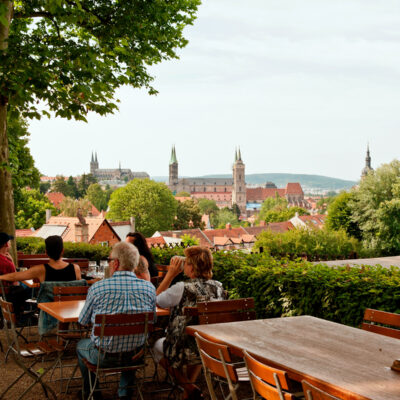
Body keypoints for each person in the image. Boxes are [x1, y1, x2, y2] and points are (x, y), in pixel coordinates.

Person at [77, 241, 156, 400]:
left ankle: (92, 392)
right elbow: (152, 321)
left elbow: (83, 321)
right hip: (136, 355)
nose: (110, 262)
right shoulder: (149, 288)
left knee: (80, 346)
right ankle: (124, 392)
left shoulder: (98, 288)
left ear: (116, 263)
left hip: (103, 357)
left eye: (110, 259)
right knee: (132, 341)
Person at [153, 246, 226, 399]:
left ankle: (188, 386)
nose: (184, 265)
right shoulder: (218, 287)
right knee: (198, 341)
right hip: (209, 346)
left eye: (186, 262)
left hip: (181, 347)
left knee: (156, 346)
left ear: (191, 267)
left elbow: (156, 301)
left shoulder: (182, 288)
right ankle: (188, 392)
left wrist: (171, 274)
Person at [0, 235, 81, 284]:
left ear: (46, 252)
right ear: (62, 251)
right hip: (70, 310)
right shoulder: (76, 268)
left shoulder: (41, 270)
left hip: (47, 310)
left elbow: (14, 276)